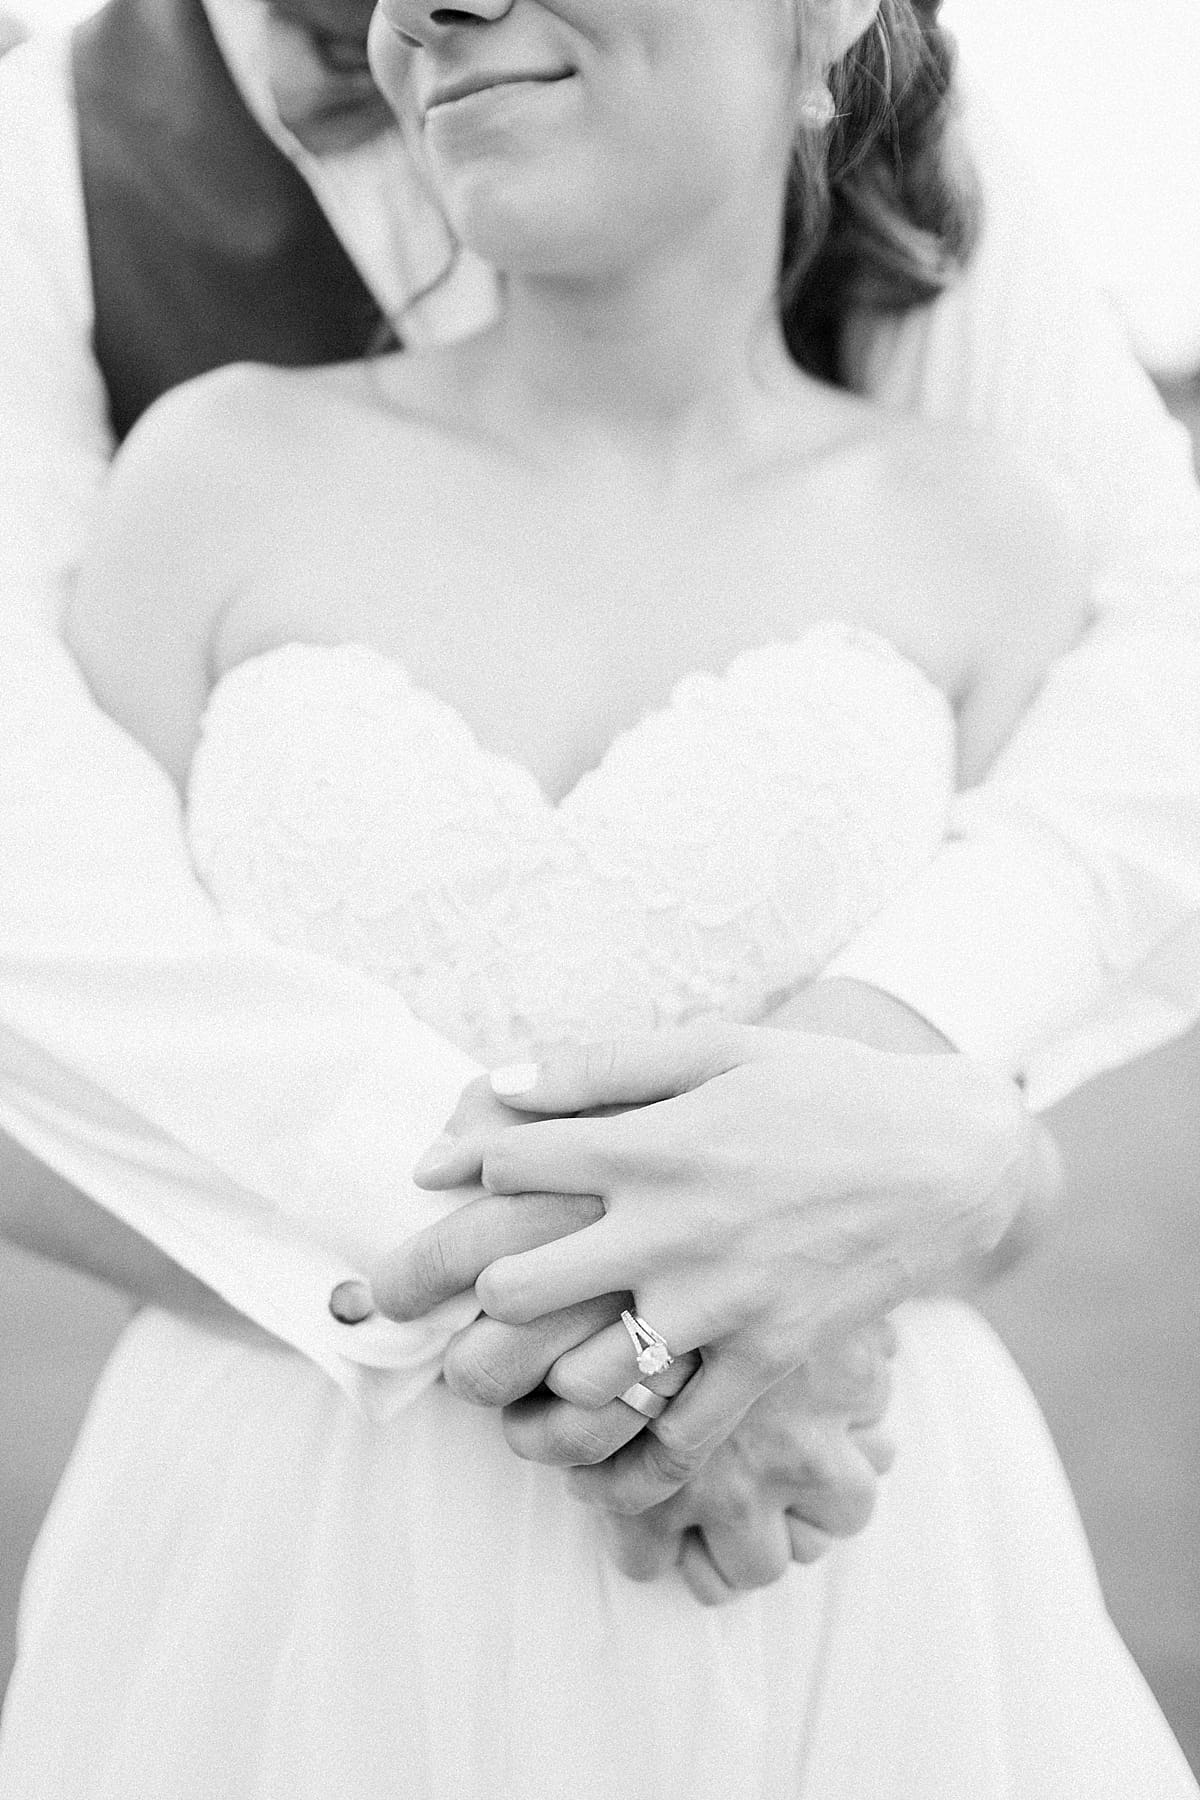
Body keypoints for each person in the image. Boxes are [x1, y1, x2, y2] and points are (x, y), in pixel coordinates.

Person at [1, 0, 1196, 1793]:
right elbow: (47, 972)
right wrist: (601, 1292)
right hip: (280, 1545)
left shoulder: (1000, 530)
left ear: (827, 36)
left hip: (820, 1541)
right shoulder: (207, 462)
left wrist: (972, 1149)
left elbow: (1022, 1001)